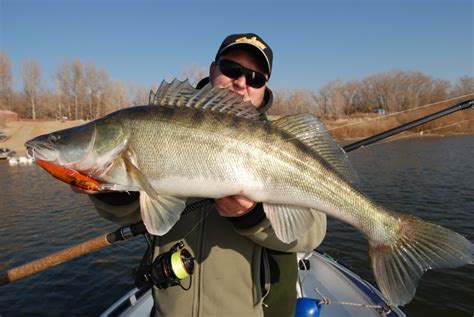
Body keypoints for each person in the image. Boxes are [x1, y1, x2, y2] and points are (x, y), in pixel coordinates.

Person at [85, 33, 327, 316]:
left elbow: (312, 232)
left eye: (255, 78)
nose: (241, 82)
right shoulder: (163, 121)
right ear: (213, 70)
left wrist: (252, 216)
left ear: (264, 89)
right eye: (231, 69)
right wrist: (107, 183)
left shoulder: (282, 141)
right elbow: (125, 214)